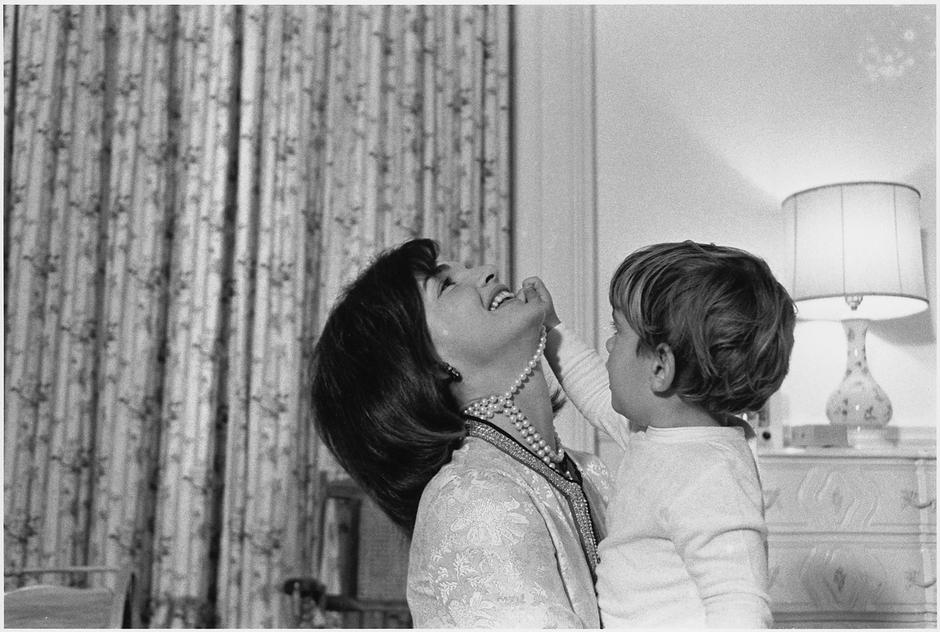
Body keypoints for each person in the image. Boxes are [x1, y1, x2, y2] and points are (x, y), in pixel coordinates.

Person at [311, 238, 611, 627]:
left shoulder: (587, 472)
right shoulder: (472, 499)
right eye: (446, 285)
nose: (486, 271)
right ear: (422, 363)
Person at [534, 240, 795, 628]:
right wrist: (550, 327)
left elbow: (739, 604)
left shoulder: (711, 474)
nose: (608, 343)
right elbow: (594, 390)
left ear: (660, 367)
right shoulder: (658, 431)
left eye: (617, 330)